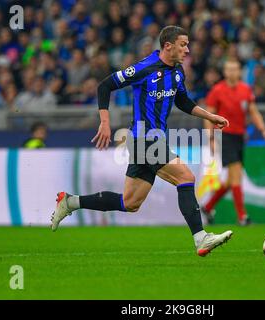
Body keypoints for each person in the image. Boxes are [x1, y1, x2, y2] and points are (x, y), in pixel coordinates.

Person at [50, 26, 233, 257]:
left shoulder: (177, 71)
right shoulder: (144, 68)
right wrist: (104, 122)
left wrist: (210, 116)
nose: (188, 50)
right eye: (183, 44)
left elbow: (183, 101)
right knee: (185, 177)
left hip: (153, 140)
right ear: (168, 46)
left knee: (130, 203)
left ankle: (70, 202)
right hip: (142, 139)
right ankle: (200, 238)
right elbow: (105, 85)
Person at [201, 59, 265, 226]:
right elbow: (208, 116)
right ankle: (242, 217)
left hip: (239, 137)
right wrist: (211, 138)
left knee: (231, 180)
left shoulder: (245, 90)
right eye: (229, 69)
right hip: (224, 136)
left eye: (235, 69)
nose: (232, 72)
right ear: (225, 72)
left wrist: (264, 129)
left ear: (239, 71)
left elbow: (253, 112)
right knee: (236, 174)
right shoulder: (217, 91)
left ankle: (208, 206)